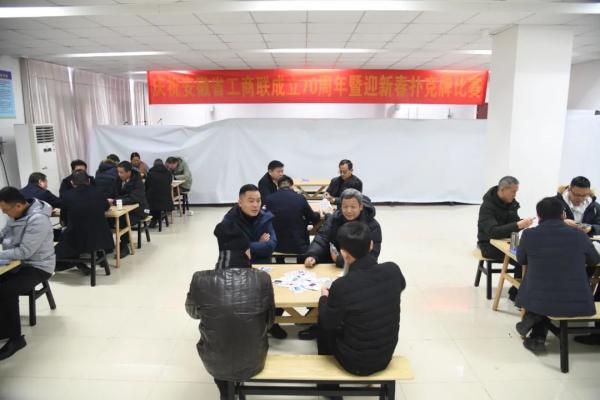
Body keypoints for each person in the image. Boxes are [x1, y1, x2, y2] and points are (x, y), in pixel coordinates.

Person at [186, 221, 274, 400]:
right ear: (246, 252)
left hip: (214, 362)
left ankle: (225, 392)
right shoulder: (263, 278)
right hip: (255, 359)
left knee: (220, 340)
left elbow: (193, 313)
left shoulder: (200, 279)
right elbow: (270, 321)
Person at [318, 221, 406, 389]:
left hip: (355, 364)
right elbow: (400, 287)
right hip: (385, 356)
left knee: (323, 322)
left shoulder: (342, 285)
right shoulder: (393, 269)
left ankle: (328, 387)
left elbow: (328, 323)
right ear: (371, 245)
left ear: (344, 254)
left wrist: (324, 298)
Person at [515, 197, 600, 353]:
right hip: (578, 302)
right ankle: (535, 326)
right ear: (563, 215)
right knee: (554, 284)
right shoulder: (579, 235)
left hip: (539, 300)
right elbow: (594, 260)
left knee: (538, 283)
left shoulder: (529, 235)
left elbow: (521, 259)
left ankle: (537, 335)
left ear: (538, 216)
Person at [223, 184, 285, 339]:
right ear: (240, 202)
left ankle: (271, 323)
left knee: (276, 293)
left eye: (258, 200)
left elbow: (271, 246)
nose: (256, 205)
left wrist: (249, 246)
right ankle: (248, 325)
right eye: (251, 201)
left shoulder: (265, 217)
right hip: (238, 265)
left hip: (263, 263)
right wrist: (259, 243)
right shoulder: (230, 220)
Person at [0, 187, 55, 360]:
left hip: (38, 266)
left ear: (18, 206)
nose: (4, 213)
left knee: (6, 290)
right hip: (16, 262)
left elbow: (25, 252)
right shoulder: (14, 214)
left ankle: (16, 339)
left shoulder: (38, 220)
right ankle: (4, 329)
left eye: (5, 210)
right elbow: (4, 234)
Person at [477, 176, 534, 300]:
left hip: (509, 241)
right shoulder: (487, 206)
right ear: (503, 189)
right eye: (513, 191)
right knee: (523, 258)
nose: (515, 195)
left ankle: (519, 290)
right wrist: (518, 225)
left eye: (516, 192)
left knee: (530, 254)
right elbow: (492, 232)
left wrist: (522, 224)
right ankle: (517, 294)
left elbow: (513, 225)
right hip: (489, 244)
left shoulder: (512, 204)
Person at [305, 188, 381, 269]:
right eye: (345, 207)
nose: (348, 211)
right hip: (332, 263)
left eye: (353, 207)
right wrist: (313, 255)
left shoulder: (372, 226)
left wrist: (339, 260)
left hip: (359, 268)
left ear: (361, 207)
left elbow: (372, 256)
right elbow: (322, 237)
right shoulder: (335, 218)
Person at [55, 171, 114, 273]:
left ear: (72, 182)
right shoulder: (98, 192)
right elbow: (106, 207)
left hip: (76, 238)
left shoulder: (66, 196)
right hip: (100, 236)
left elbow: (63, 218)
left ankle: (75, 263)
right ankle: (80, 264)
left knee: (62, 239)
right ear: (89, 181)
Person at [263, 175, 321, 256]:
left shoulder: (269, 199)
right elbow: (312, 217)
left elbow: (264, 219)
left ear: (278, 187)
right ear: (291, 186)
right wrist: (318, 214)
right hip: (298, 246)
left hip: (275, 246)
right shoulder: (300, 198)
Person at [109, 161, 149, 257]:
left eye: (121, 172)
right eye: (118, 172)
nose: (119, 174)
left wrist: (115, 201)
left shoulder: (138, 182)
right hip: (124, 208)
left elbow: (134, 199)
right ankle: (107, 245)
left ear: (129, 172)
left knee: (123, 221)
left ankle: (124, 247)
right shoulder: (118, 180)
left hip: (140, 210)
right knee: (108, 219)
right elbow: (113, 193)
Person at [145, 159, 174, 228]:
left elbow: (146, 186)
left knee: (147, 199)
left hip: (152, 202)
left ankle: (151, 218)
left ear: (154, 165)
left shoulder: (150, 173)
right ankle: (156, 218)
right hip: (166, 201)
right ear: (163, 164)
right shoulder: (168, 173)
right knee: (156, 199)